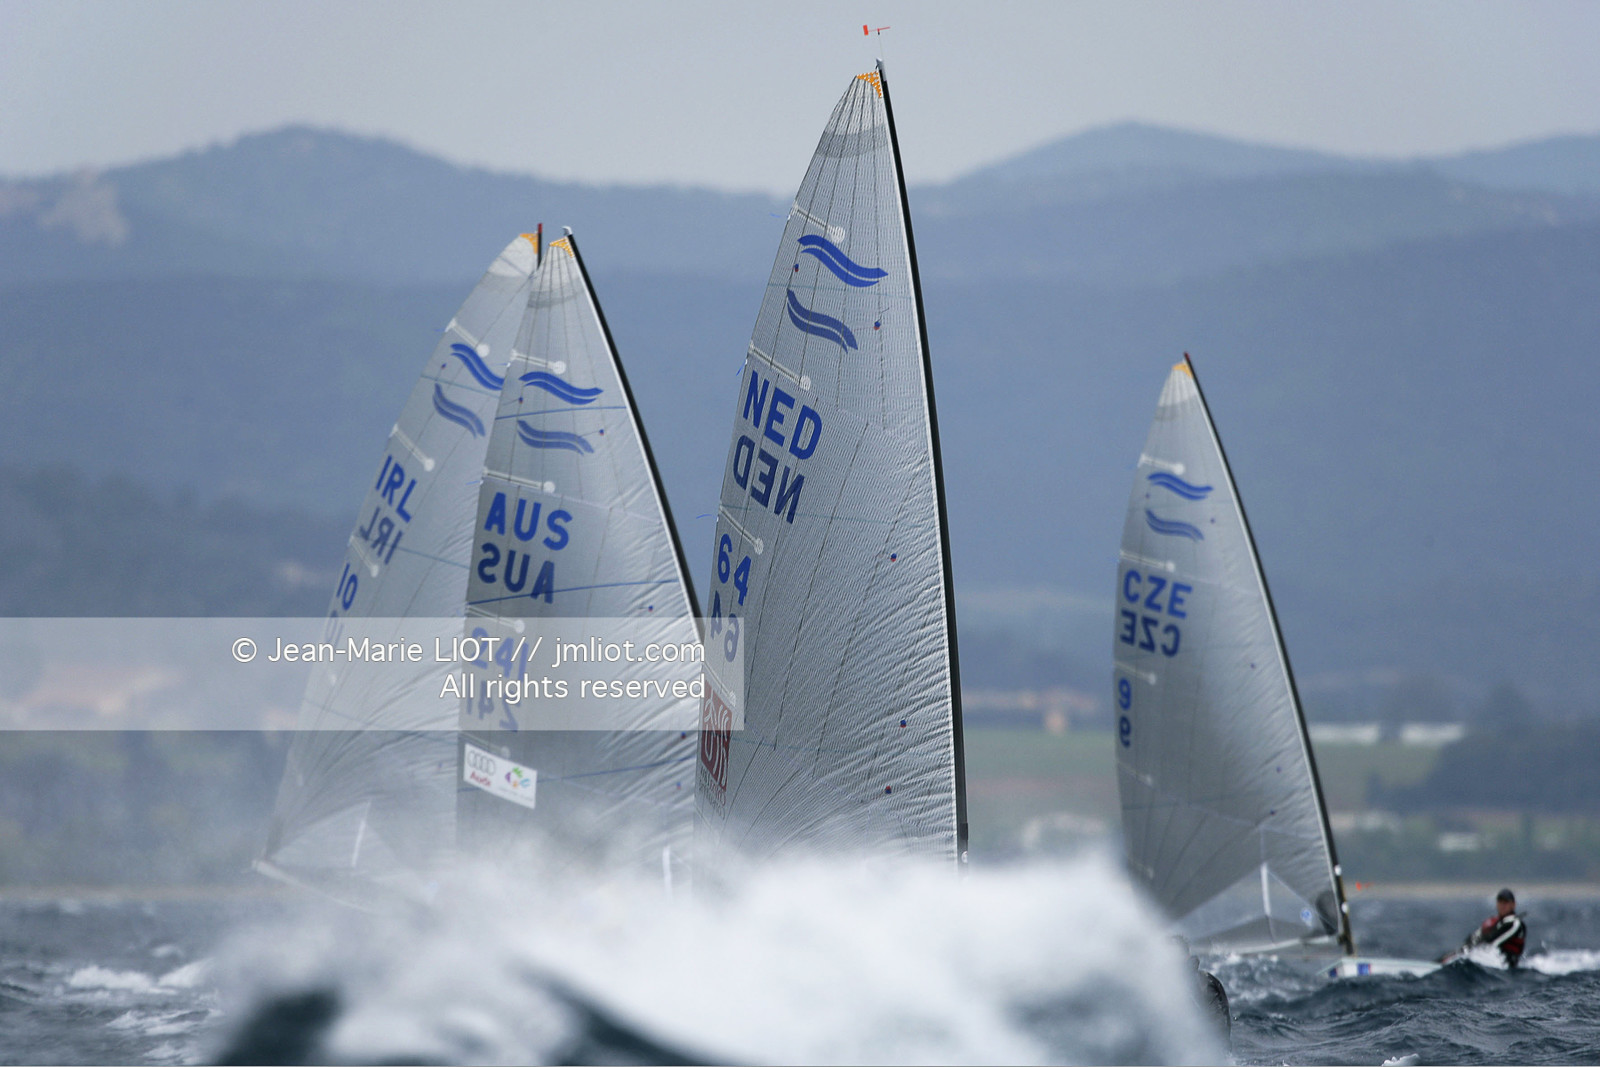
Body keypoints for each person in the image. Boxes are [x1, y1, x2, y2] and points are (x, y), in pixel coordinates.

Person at [1453, 887, 1526, 968]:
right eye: (1500, 902)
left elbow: (1493, 942)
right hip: (1487, 963)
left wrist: (1474, 948)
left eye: (1506, 902)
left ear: (1513, 905)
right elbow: (1475, 936)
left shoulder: (1515, 924)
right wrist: (1467, 946)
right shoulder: (1492, 921)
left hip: (1506, 966)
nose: (1502, 905)